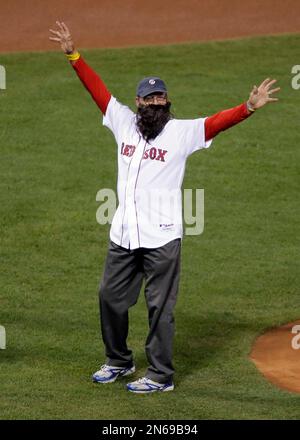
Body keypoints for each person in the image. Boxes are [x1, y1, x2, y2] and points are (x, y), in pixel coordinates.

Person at [49, 21, 280, 394]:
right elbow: (98, 91)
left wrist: (248, 108)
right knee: (110, 297)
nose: (158, 103)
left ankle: (160, 376)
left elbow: (217, 122)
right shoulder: (123, 122)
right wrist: (73, 56)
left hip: (162, 240)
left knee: (160, 309)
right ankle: (118, 361)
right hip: (122, 234)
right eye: (151, 99)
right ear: (139, 103)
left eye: (162, 98)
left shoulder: (181, 132)